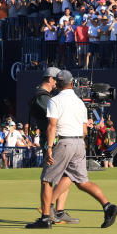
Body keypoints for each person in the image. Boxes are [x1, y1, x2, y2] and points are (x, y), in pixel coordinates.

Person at [26, 70, 117, 229]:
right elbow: (84, 130)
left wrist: (49, 147)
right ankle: (108, 206)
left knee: (47, 180)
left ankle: (45, 219)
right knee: (82, 182)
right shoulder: (79, 102)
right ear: (71, 83)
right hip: (78, 143)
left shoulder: (54, 101)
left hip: (63, 142)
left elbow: (52, 126)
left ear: (59, 83)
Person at [27, 67, 73, 223]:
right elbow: (55, 118)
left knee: (65, 175)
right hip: (51, 140)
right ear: (51, 79)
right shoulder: (42, 97)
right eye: (57, 80)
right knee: (52, 177)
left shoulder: (47, 97)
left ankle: (58, 211)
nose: (58, 84)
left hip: (55, 139)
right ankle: (49, 210)